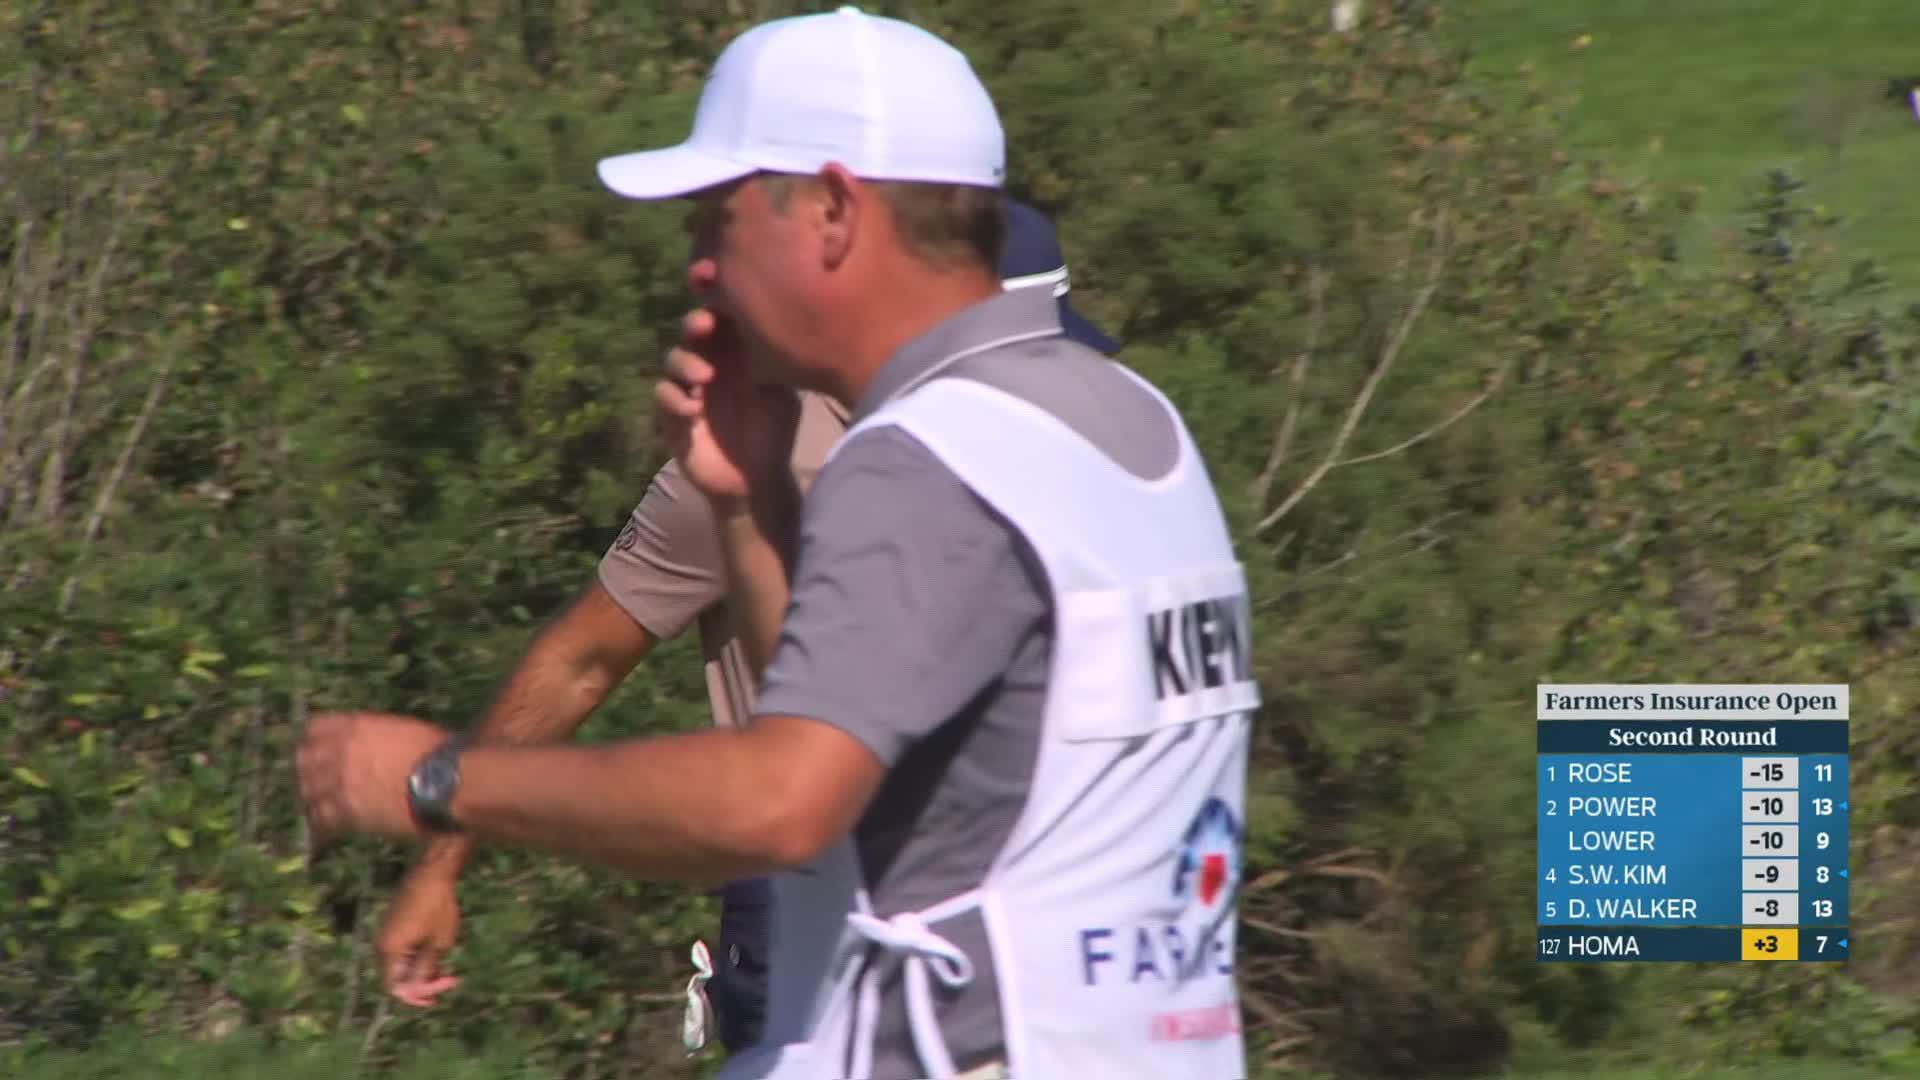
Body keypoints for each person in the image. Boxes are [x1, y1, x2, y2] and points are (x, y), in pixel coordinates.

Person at [296, 8, 1255, 1080]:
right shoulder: (1134, 425)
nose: (700, 268)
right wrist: (748, 500)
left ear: (834, 210)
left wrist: (442, 781)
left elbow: (781, 804)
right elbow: (877, 753)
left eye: (718, 220)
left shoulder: (926, 455)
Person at [360, 195, 1117, 1056]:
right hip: (804, 887)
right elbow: (581, 662)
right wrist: (441, 865)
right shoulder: (757, 458)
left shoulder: (1053, 464)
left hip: (1013, 882)